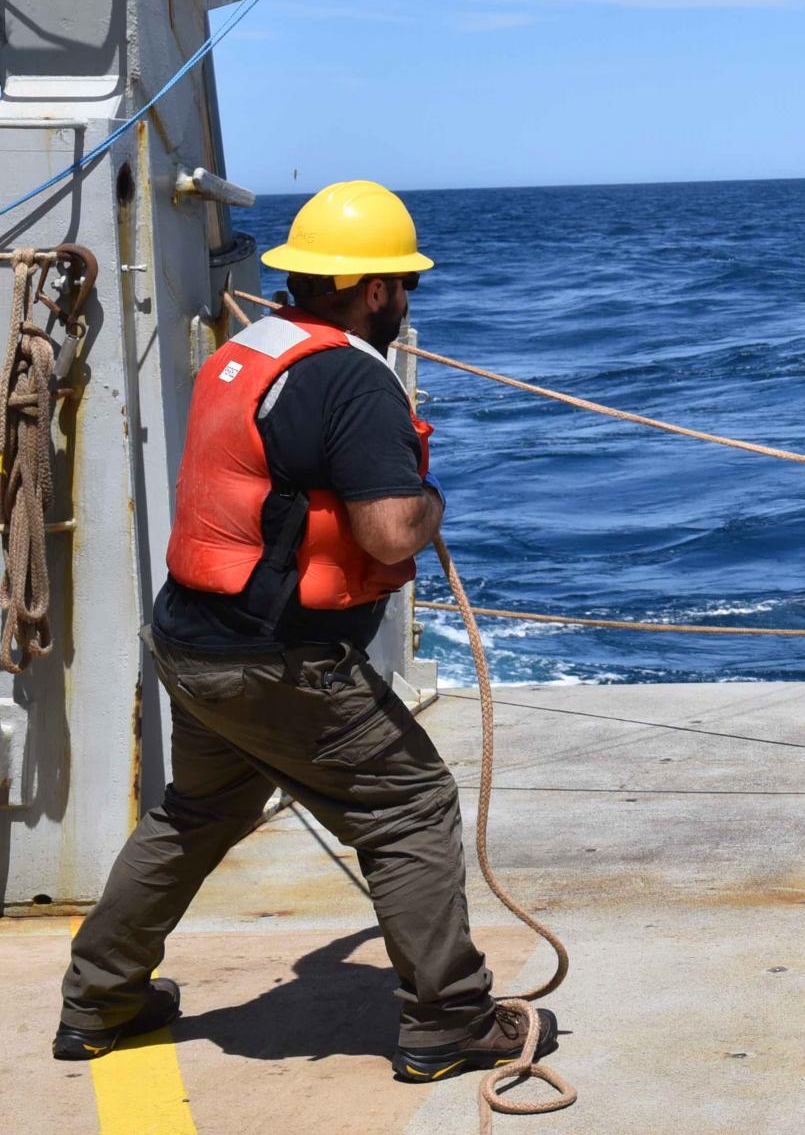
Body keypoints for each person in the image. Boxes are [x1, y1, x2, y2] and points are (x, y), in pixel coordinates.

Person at [55, 182, 551, 1083]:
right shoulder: (352, 378)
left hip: (190, 641)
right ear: (372, 291)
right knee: (409, 804)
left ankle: (99, 998)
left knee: (199, 808)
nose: (406, 303)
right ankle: (448, 1018)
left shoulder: (252, 347)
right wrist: (433, 503)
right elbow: (390, 531)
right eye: (403, 285)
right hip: (276, 662)